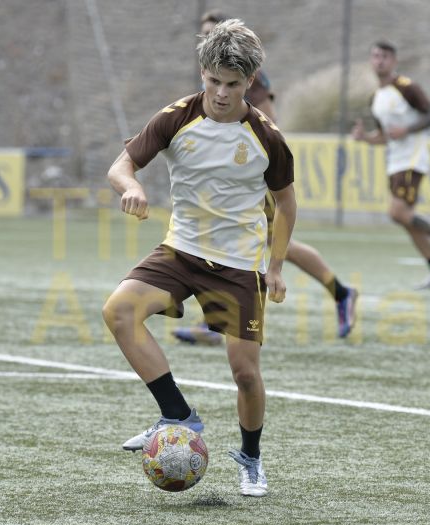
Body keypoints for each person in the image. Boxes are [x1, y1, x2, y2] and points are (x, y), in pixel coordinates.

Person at [102, 19, 295, 497]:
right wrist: (131, 187)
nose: (222, 93)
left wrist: (275, 266)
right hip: (182, 250)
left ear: (250, 82)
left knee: (245, 374)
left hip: (238, 264)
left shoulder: (266, 137)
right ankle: (177, 414)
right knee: (119, 311)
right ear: (202, 73)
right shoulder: (176, 117)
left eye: (233, 84)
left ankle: (251, 459)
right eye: (213, 81)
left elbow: (287, 204)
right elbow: (121, 165)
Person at [172, 9, 358, 345]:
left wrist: (250, 172)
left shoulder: (243, 75)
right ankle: (341, 292)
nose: (206, 38)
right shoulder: (216, 75)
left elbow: (269, 127)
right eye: (203, 33)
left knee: (241, 241)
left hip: (252, 182)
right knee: (254, 241)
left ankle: (217, 322)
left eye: (212, 31)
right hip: (231, 182)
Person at [352, 40, 430, 288]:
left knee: (397, 212)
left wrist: (408, 129)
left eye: (384, 57)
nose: (379, 61)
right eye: (375, 56)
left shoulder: (407, 87)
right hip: (395, 162)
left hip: (413, 159)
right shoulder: (376, 98)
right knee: (404, 217)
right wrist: (365, 138)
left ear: (394, 61)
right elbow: (384, 137)